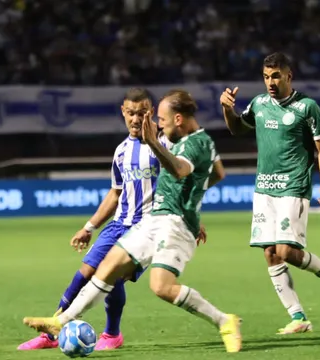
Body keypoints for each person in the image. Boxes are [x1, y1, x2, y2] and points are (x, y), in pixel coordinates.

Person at [21, 89, 241, 353]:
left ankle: (221, 320)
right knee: (105, 268)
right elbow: (215, 173)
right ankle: (61, 322)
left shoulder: (181, 142)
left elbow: (184, 170)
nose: (147, 121)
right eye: (134, 113)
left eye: (154, 116)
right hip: (142, 221)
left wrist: (190, 205)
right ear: (123, 112)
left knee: (159, 287)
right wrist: (90, 226)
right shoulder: (127, 150)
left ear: (175, 118)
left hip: (170, 222)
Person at [219, 52, 320, 334]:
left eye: (275, 76)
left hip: (293, 186)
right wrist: (227, 110)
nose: (270, 82)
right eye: (266, 77)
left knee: (286, 251)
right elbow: (237, 129)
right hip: (264, 189)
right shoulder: (259, 104)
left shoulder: (307, 107)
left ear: (288, 76)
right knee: (270, 253)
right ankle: (298, 318)